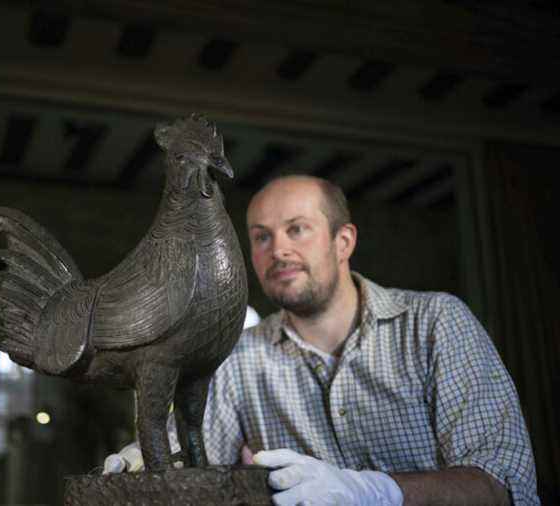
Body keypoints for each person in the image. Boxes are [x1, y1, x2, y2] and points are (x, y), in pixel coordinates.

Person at [105, 175, 539, 505]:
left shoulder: (436, 322)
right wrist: (144, 463)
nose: (278, 250)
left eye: (297, 229)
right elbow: (194, 459)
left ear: (343, 240)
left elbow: (503, 481)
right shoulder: (241, 356)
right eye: (261, 236)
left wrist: (376, 491)